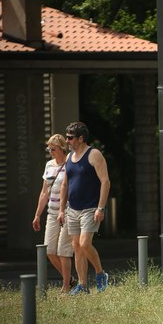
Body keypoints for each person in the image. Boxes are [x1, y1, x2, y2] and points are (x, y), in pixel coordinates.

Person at [57, 122, 110, 295]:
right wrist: (61, 210)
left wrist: (100, 208)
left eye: (70, 137)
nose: (67, 140)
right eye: (67, 136)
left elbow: (105, 182)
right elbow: (65, 185)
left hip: (90, 208)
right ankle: (82, 285)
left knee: (84, 244)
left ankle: (101, 274)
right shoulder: (69, 157)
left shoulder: (93, 154)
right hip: (72, 209)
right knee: (77, 248)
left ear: (81, 138)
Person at [32, 134, 75, 292]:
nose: (50, 151)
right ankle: (70, 280)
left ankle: (65, 286)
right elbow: (44, 192)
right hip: (52, 213)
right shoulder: (49, 165)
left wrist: (64, 210)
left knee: (63, 250)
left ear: (62, 148)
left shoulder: (70, 163)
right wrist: (37, 215)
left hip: (68, 212)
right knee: (49, 251)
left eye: (53, 149)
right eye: (48, 148)